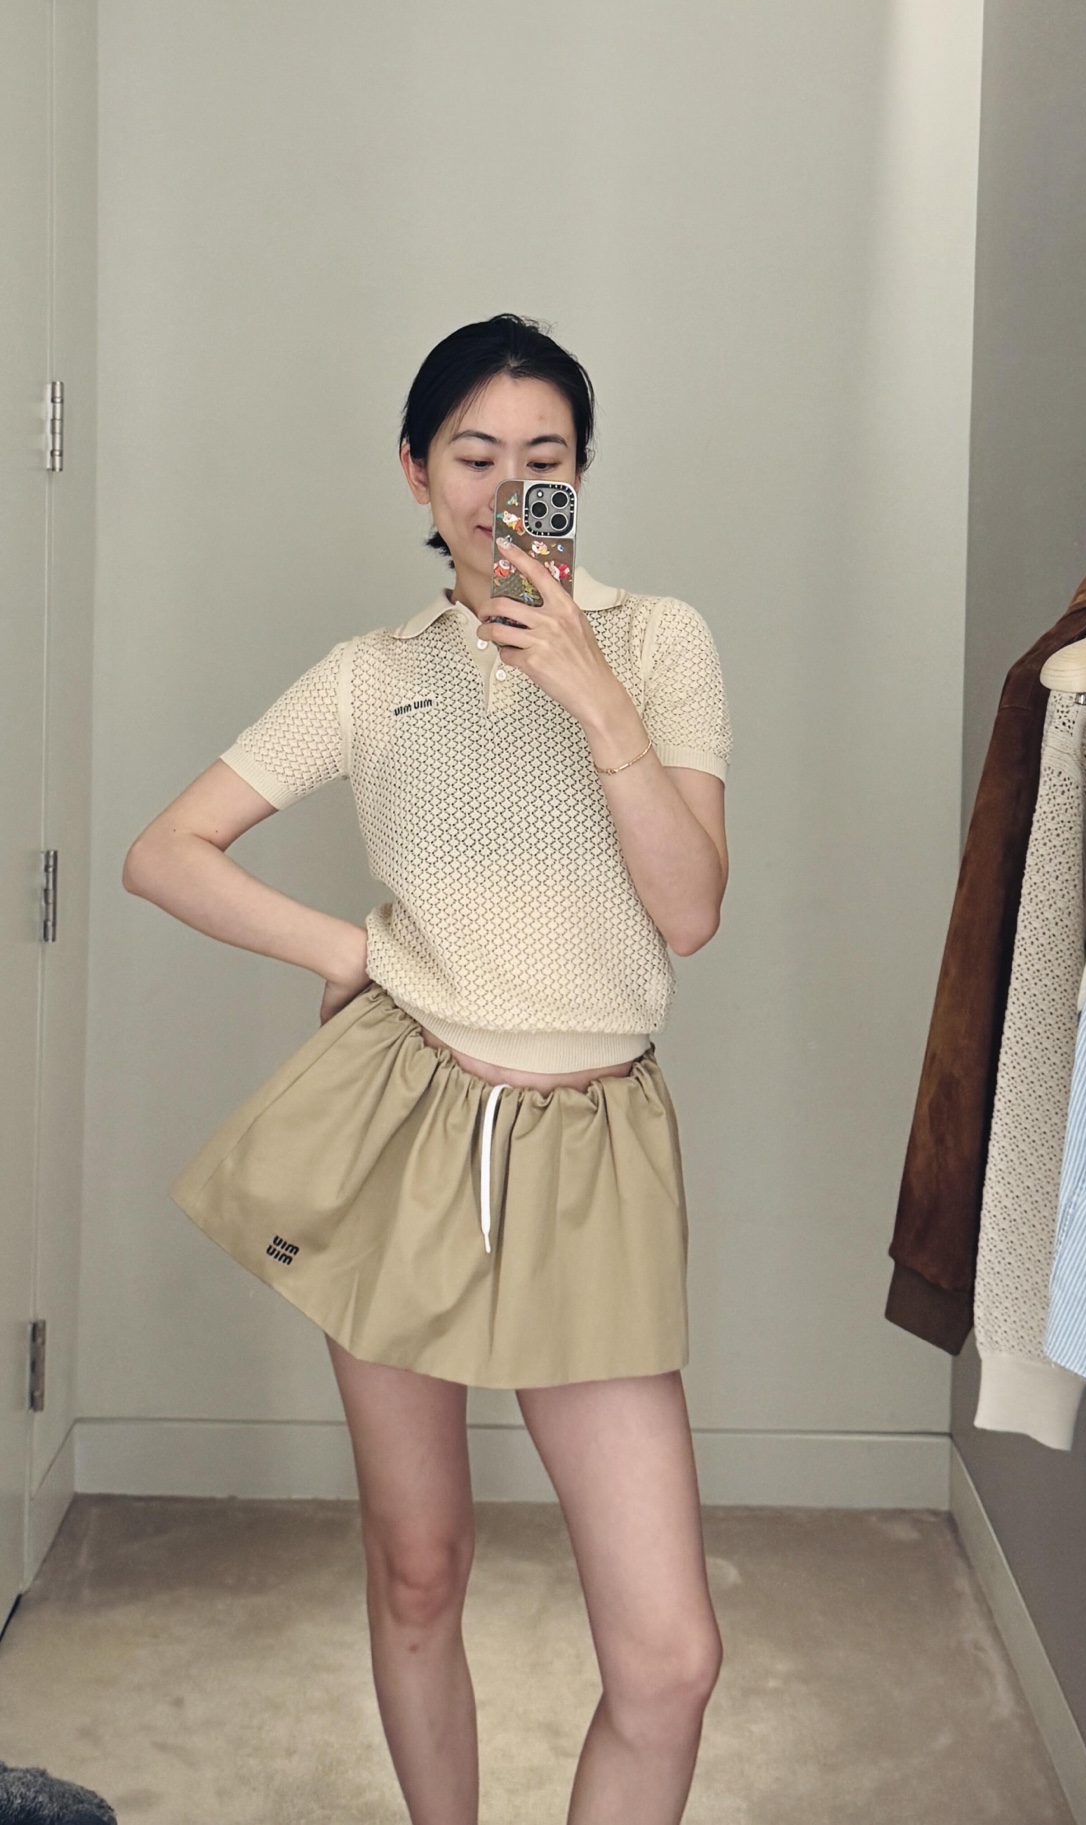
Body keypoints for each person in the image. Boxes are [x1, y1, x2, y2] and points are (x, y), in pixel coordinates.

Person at [123, 315, 733, 1825]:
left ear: (581, 475)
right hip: (406, 1126)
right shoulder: (371, 676)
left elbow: (690, 910)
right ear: (416, 471)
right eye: (473, 456)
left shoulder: (660, 642)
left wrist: (594, 694)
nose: (505, 489)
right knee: (417, 1566)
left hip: (591, 1147)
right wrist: (356, 953)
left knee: (670, 1659)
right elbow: (166, 851)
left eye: (544, 459)